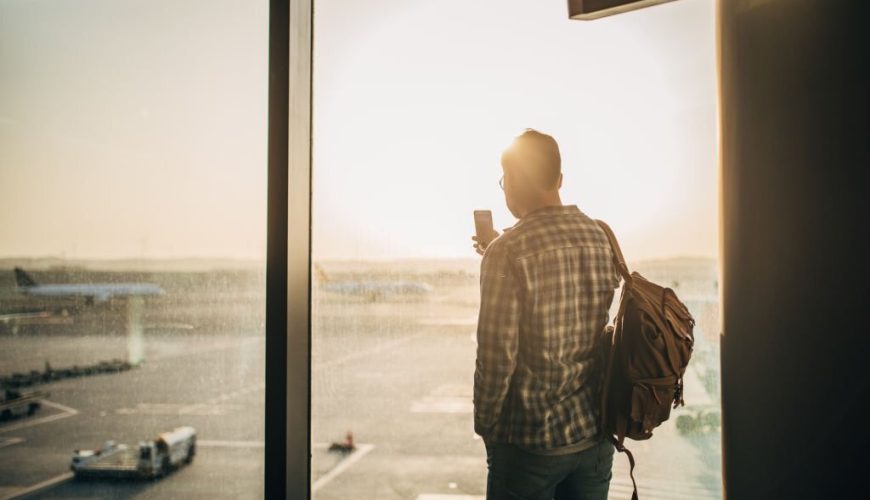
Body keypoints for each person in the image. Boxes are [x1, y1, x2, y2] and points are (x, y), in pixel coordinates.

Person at [471, 129, 620, 500]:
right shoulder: (600, 235)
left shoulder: (507, 253)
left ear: (513, 182)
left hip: (530, 445)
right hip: (595, 437)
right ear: (559, 179)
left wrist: (487, 428)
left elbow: (496, 358)